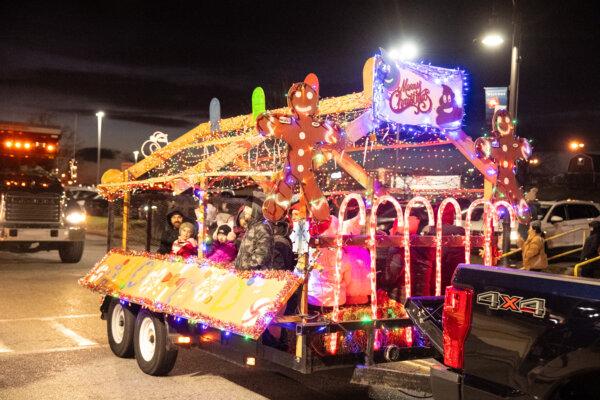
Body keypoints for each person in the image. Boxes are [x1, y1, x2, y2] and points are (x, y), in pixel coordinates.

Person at [234, 201, 274, 270]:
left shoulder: (262, 228)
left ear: (255, 210)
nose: (245, 210)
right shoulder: (251, 227)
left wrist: (243, 268)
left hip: (255, 277)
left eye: (247, 208)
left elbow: (261, 256)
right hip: (244, 275)